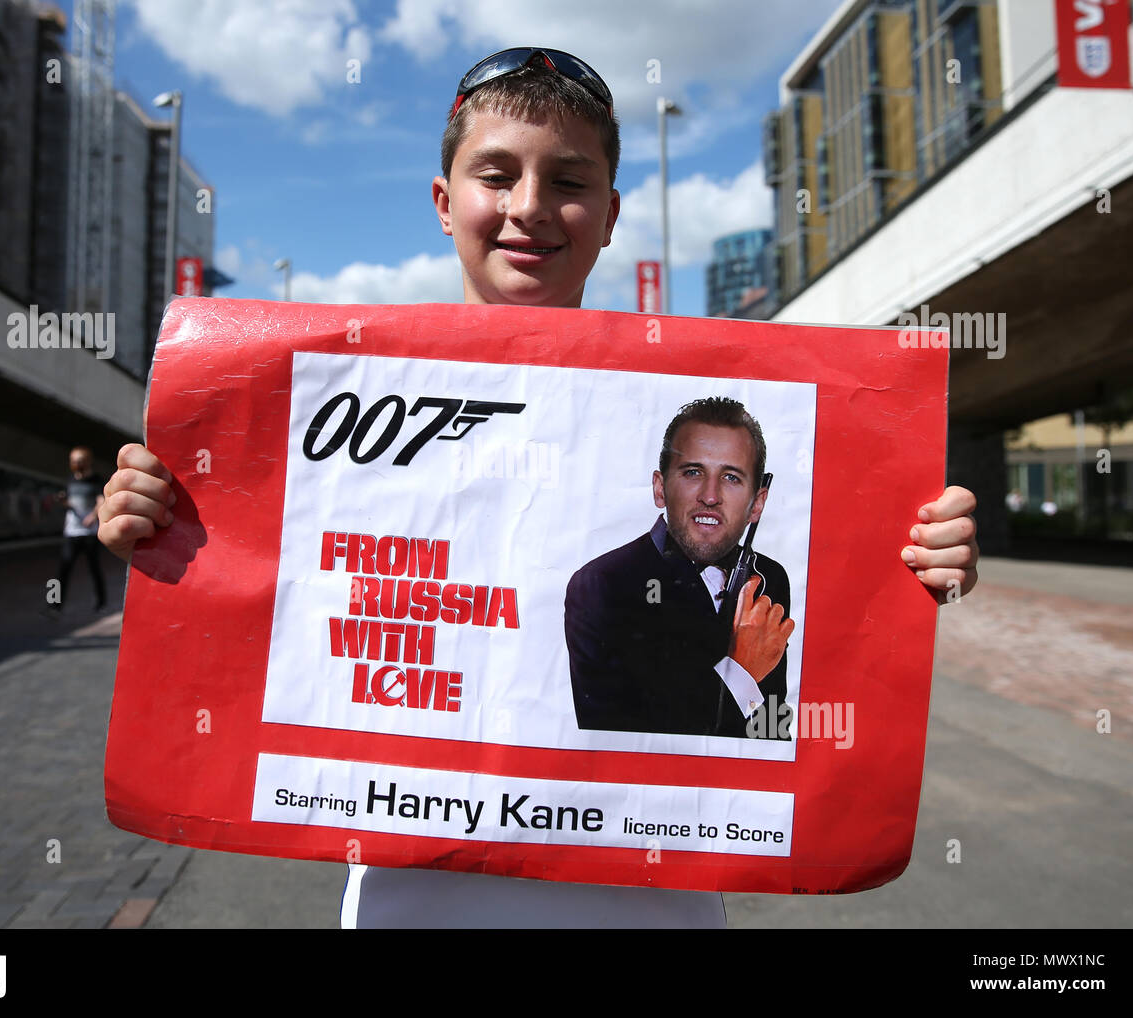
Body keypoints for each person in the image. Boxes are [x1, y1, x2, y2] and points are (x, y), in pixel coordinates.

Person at [97, 48, 980, 927]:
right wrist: (165, 521)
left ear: (608, 214)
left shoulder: (764, 573)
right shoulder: (339, 410)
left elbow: (798, 717)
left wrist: (909, 557)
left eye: (567, 180)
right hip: (413, 905)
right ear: (445, 204)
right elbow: (264, 609)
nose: (527, 208)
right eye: (495, 174)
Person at [567, 397, 794, 738]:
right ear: (660, 488)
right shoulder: (601, 584)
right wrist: (740, 673)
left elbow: (770, 731)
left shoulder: (769, 579)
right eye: (693, 472)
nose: (710, 495)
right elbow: (617, 744)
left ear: (757, 504)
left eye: (731, 478)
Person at [46, 446, 108, 616]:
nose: (76, 463)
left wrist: (93, 516)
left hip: (89, 534)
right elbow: (68, 503)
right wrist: (62, 501)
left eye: (79, 460)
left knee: (94, 569)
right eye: (73, 460)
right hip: (71, 533)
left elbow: (101, 500)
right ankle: (54, 605)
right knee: (62, 570)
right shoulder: (69, 481)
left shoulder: (96, 481)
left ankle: (101, 603)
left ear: (88, 461)